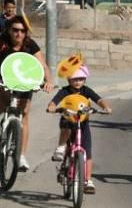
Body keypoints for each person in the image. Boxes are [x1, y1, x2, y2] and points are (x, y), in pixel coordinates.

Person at [0, 15, 54, 171]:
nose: (19, 34)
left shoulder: (30, 45)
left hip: (25, 82)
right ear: (9, 30)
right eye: (15, 30)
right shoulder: (2, 41)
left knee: (23, 115)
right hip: (4, 79)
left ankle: (21, 155)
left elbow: (42, 65)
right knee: (2, 106)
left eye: (23, 31)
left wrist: (48, 80)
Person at [46, 65, 112, 194]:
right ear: (69, 79)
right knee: (65, 126)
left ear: (85, 80)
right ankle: (61, 148)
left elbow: (99, 99)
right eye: (75, 79)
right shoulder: (65, 91)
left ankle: (88, 180)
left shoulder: (86, 91)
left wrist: (106, 107)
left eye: (81, 79)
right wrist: (52, 107)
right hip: (69, 119)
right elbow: (54, 101)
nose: (78, 82)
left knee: (87, 151)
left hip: (83, 123)